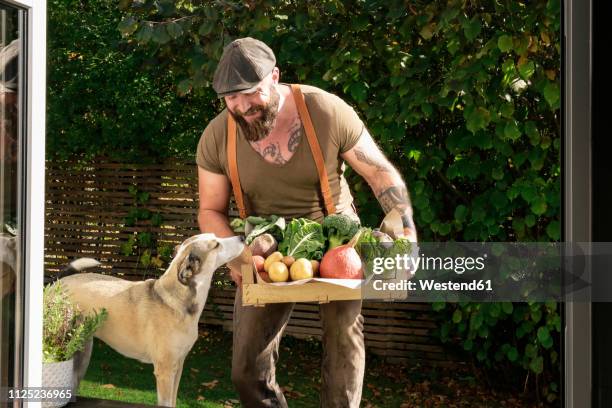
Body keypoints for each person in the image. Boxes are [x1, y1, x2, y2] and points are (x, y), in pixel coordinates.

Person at [196, 37, 417, 408]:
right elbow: (210, 210)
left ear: (275, 77)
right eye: (231, 98)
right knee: (246, 369)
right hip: (266, 249)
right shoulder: (217, 135)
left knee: (343, 344)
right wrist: (236, 255)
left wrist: (407, 231)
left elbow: (380, 174)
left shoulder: (325, 110)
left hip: (337, 241)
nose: (242, 106)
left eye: (250, 93)